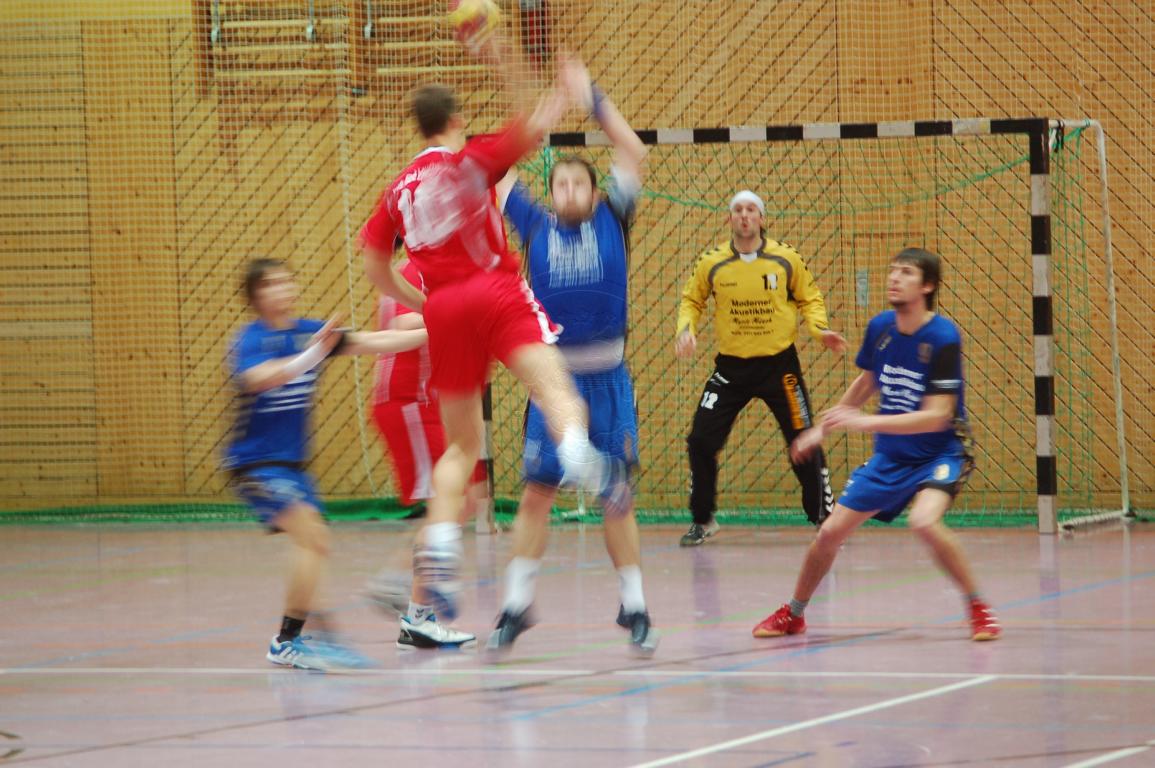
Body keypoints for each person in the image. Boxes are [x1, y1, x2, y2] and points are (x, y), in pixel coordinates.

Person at [359, 35, 625, 635]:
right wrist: (503, 52)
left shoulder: (397, 190)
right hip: (494, 291)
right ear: (455, 120)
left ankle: (442, 542)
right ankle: (578, 455)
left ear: (418, 126)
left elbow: (375, 267)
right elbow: (533, 117)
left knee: (460, 447)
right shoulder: (471, 160)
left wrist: (422, 301)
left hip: (445, 308)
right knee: (554, 388)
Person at [484, 60, 657, 656]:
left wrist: (593, 98)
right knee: (537, 494)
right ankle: (515, 604)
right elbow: (495, 171)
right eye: (560, 185)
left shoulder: (614, 216)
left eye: (579, 184)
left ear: (594, 190)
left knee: (617, 494)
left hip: (608, 379)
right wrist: (538, 115)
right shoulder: (533, 224)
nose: (569, 193)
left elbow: (633, 150)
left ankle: (634, 604)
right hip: (553, 383)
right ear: (551, 192)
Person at [752, 247, 1001, 642]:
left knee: (923, 522)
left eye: (906, 272)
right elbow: (868, 380)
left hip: (939, 453)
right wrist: (822, 429)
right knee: (829, 534)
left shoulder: (943, 337)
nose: (894, 278)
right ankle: (794, 614)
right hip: (891, 458)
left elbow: (936, 415)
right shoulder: (881, 328)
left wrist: (864, 422)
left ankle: (978, 608)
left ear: (927, 286)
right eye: (892, 270)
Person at [223, 258, 430, 670]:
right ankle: (287, 641)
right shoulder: (250, 340)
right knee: (313, 538)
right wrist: (314, 353)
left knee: (312, 545)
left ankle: (318, 636)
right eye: (271, 284)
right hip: (256, 464)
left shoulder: (308, 332)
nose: (282, 289)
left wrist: (443, 327)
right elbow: (261, 378)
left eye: (287, 281)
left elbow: (379, 341)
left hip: (294, 467)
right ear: (255, 296)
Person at [675, 191, 846, 545]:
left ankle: (823, 516)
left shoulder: (786, 259)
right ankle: (703, 519)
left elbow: (810, 298)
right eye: (737, 210)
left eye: (751, 210)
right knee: (700, 440)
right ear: (729, 219)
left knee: (804, 441)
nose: (744, 215)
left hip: (779, 367)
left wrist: (820, 330)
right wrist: (686, 330)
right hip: (731, 370)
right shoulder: (712, 262)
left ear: (762, 218)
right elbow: (692, 300)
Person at [364, 255, 487, 650]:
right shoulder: (414, 269)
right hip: (407, 398)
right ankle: (415, 609)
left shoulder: (434, 268)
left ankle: (402, 582)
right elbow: (402, 325)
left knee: (462, 498)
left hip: (424, 400)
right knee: (450, 500)